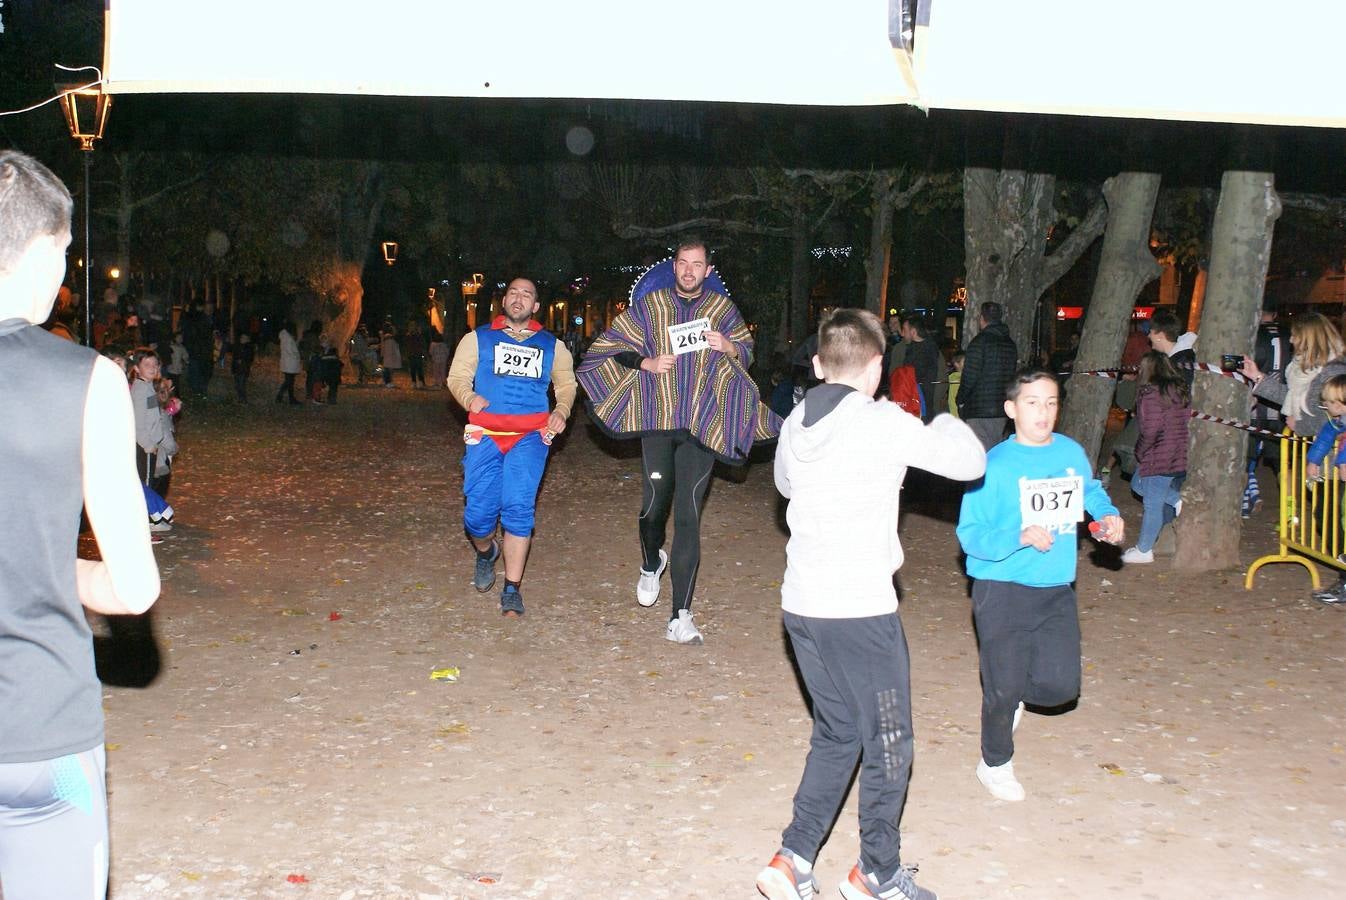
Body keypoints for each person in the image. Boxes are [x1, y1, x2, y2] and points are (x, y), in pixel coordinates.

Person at [756, 309, 985, 900]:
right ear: (879, 368)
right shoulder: (884, 420)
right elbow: (969, 462)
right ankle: (876, 871)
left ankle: (794, 857)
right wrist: (940, 419)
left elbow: (783, 487)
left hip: (802, 607)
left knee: (837, 733)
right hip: (858, 610)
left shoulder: (796, 418)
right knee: (888, 741)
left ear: (816, 364)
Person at [0, 148, 160, 900]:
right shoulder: (86, 379)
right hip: (39, 731)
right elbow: (131, 588)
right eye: (64, 256)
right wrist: (46, 569)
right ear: (36, 254)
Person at [576, 237, 781, 644]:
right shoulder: (651, 307)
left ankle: (680, 616)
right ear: (675, 267)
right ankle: (652, 561)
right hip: (658, 417)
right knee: (655, 502)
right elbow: (610, 345)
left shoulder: (722, 310)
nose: (689, 270)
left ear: (708, 270)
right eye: (683, 263)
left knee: (688, 513)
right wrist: (645, 361)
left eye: (697, 264)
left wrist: (730, 346)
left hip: (701, 423)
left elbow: (747, 350)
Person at [957, 369, 1124, 802]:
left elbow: (1090, 492)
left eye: (1051, 402)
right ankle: (995, 763)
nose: (1043, 412)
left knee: (1059, 688)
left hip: (1055, 587)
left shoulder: (1069, 452)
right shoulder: (992, 465)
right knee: (1003, 683)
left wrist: (1104, 518)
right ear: (1012, 410)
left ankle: (1011, 698)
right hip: (1002, 587)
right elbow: (969, 534)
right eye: (1032, 403)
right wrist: (1018, 536)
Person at [446, 277, 576, 617]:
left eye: (527, 294)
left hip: (530, 436)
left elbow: (566, 385)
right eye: (513, 293)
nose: (519, 299)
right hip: (486, 434)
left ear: (535, 306)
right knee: (477, 518)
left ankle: (512, 589)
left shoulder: (553, 346)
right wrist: (469, 397)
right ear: (505, 301)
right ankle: (486, 552)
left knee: (518, 508)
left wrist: (561, 411)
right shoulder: (477, 339)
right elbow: (456, 377)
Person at [1121, 351, 1190, 564]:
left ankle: (1144, 550)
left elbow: (1150, 429)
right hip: (1176, 452)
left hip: (1158, 454)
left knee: (1152, 503)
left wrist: (1140, 451)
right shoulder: (1178, 390)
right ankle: (1176, 499)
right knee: (1138, 484)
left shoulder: (1150, 393)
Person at [1303, 375, 1346, 604]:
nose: (1325, 408)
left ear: (1339, 403)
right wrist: (1314, 459)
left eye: (1327, 403)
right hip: (1340, 482)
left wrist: (1342, 463)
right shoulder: (1338, 420)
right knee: (1327, 516)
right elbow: (1326, 434)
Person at [957, 301, 1018, 451]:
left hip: (979, 410)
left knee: (981, 454)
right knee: (998, 451)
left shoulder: (979, 343)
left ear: (982, 318)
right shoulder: (1010, 344)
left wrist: (960, 399)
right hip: (1002, 409)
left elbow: (969, 377)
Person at [129, 348, 178, 531]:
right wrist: (148, 444)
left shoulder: (148, 387)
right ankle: (152, 518)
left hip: (151, 443)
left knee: (148, 482)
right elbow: (139, 420)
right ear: (137, 368)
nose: (152, 368)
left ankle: (154, 517)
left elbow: (153, 414)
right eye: (146, 365)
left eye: (154, 364)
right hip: (145, 445)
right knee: (145, 483)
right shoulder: (140, 389)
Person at [275, 320, 302, 405]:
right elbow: (291, 351)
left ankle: (288, 398)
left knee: (289, 381)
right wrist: (298, 355)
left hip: (288, 362)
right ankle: (283, 397)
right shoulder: (288, 338)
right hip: (290, 362)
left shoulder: (285, 337)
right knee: (289, 381)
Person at [231, 332, 255, 402]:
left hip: (243, 369)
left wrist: (242, 360)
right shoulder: (237, 346)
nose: (241, 339)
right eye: (241, 337)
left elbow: (250, 358)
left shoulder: (249, 347)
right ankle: (240, 398)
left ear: (247, 339)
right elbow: (234, 356)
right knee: (237, 385)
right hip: (236, 368)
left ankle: (243, 399)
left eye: (243, 338)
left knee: (241, 385)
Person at [404, 320, 428, 388]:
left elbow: (422, 343)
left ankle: (421, 381)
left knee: (419, 368)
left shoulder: (418, 335)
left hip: (418, 353)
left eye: (413, 325)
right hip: (411, 354)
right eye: (411, 325)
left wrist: (424, 353)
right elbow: (407, 344)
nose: (412, 327)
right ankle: (414, 381)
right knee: (412, 368)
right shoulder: (408, 335)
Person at [379, 321, 403, 388]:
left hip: (388, 355)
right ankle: (388, 382)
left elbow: (383, 346)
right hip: (389, 355)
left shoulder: (386, 337)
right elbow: (386, 347)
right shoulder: (389, 338)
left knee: (388, 368)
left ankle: (387, 381)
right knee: (388, 368)